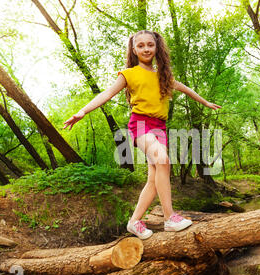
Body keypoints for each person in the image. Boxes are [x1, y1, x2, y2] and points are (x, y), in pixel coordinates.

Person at [63, 30, 222, 239]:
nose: (146, 49)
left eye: (150, 45)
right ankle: (169, 218)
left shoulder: (163, 76)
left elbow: (186, 89)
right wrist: (83, 111)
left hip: (160, 128)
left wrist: (205, 102)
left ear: (157, 48)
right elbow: (106, 94)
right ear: (134, 50)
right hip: (140, 124)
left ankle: (134, 221)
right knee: (163, 159)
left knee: (153, 179)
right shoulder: (129, 74)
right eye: (141, 46)